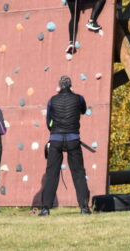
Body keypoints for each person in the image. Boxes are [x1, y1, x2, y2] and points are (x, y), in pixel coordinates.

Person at [38, 76, 90, 216]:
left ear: (59, 86)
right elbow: (83, 111)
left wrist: (55, 131)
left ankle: (45, 208)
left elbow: (49, 122)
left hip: (56, 139)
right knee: (78, 173)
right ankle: (84, 207)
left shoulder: (52, 100)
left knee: (51, 174)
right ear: (71, 85)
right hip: (73, 138)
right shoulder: (79, 98)